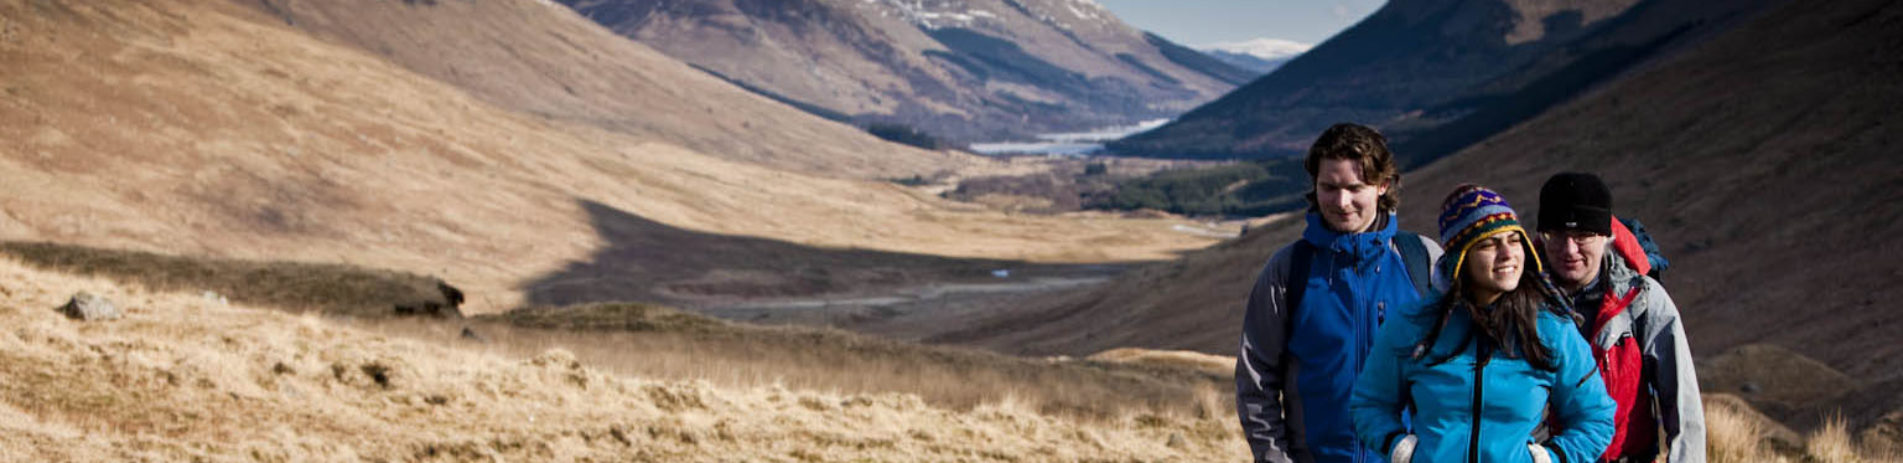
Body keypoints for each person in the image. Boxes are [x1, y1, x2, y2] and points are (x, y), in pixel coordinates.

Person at [1351, 184, 1614, 463]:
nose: (1507, 253)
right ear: (1460, 258)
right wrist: (1401, 450)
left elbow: (1595, 419)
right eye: (1489, 244)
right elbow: (1369, 404)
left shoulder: (1550, 329)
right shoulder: (1415, 326)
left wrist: (1552, 458)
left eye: (1514, 240)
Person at [1236, 123, 1443, 463]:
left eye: (1354, 187)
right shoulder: (1289, 270)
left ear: (1382, 186)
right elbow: (1256, 379)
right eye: (1328, 187)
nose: (1341, 201)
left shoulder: (1423, 262)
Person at [1537, 172, 1705, 463]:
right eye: (1558, 234)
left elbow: (1682, 402)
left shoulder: (1642, 299)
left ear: (1606, 236)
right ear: (1541, 236)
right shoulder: (1517, 303)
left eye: (1583, 236)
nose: (1569, 249)